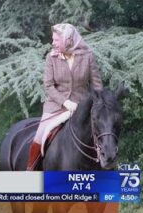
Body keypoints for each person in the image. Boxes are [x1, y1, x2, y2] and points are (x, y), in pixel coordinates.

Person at [26, 23, 103, 170]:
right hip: (56, 107)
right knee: (39, 136)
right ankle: (30, 169)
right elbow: (48, 85)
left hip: (83, 107)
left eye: (56, 40)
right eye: (53, 40)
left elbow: (97, 85)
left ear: (68, 40)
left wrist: (97, 105)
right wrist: (65, 102)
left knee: (102, 134)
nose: (53, 43)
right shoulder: (51, 58)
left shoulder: (87, 56)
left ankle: (106, 167)